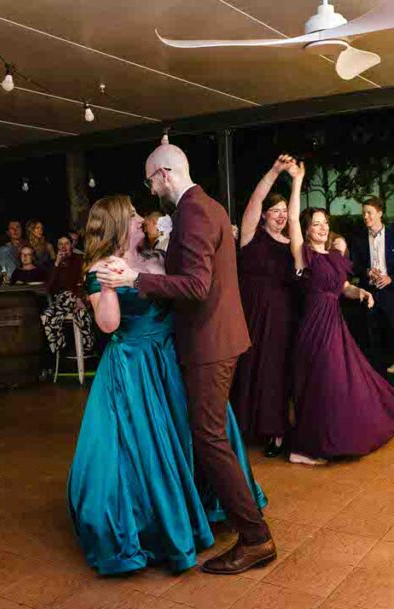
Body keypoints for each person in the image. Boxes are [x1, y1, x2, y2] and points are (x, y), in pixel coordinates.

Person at [96, 143, 275, 575]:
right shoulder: (209, 206)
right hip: (220, 337)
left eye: (150, 181)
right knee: (211, 437)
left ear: (163, 174)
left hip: (209, 342)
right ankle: (239, 525)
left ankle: (256, 538)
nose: (151, 190)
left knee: (209, 439)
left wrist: (135, 277)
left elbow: (195, 286)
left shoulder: (193, 212)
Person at [286, 196, 394, 465]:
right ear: (307, 230)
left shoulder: (334, 257)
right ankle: (306, 449)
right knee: (320, 382)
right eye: (315, 224)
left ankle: (329, 441)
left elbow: (344, 287)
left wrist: (362, 292)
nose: (322, 228)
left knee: (335, 381)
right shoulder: (304, 256)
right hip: (314, 326)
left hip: (334, 324)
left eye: (325, 223)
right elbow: (291, 220)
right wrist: (296, 180)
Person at [231, 155, 299, 458]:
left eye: (284, 211)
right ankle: (241, 429)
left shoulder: (291, 246)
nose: (281, 215)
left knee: (275, 374)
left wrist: (296, 182)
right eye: (275, 211)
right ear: (263, 215)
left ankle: (276, 432)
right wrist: (274, 171)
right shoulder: (250, 237)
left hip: (282, 320)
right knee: (245, 370)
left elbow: (298, 222)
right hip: (249, 316)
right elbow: (254, 200)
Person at [348, 198, 394, 395]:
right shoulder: (358, 239)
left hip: (390, 293)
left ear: (379, 213)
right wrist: (366, 272)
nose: (365, 216)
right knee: (372, 338)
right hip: (369, 293)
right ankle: (379, 384)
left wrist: (390, 278)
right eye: (363, 213)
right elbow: (353, 266)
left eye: (368, 212)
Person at [42, 236, 94, 358]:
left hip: (79, 297)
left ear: (71, 245)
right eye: (60, 244)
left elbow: (82, 280)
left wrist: (78, 297)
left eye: (67, 243)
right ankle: (62, 349)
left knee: (80, 311)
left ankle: (86, 347)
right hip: (61, 301)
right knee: (47, 317)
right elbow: (48, 288)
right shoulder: (52, 264)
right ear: (57, 247)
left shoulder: (79, 260)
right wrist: (56, 264)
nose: (64, 246)